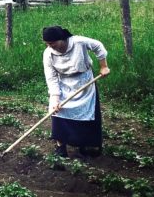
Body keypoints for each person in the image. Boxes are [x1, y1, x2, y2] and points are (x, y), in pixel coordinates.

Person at [42, 26, 110, 158]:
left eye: (52, 43)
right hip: (63, 85)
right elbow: (51, 77)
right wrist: (55, 98)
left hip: (84, 82)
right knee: (58, 113)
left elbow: (98, 46)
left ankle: (85, 145)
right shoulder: (48, 54)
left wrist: (104, 66)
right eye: (47, 44)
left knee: (86, 114)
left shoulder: (78, 42)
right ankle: (60, 147)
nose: (50, 46)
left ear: (62, 39)